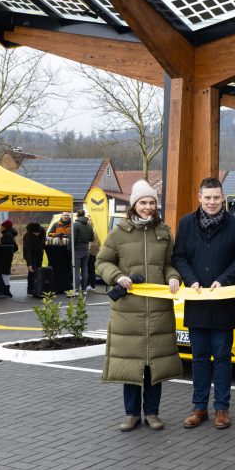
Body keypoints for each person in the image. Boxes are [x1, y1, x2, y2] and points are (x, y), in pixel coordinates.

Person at [96, 180, 182, 432]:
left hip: (158, 310)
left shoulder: (164, 232)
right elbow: (101, 262)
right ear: (134, 205)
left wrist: (173, 276)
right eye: (143, 202)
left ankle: (152, 413)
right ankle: (131, 414)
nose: (148, 207)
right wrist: (116, 276)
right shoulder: (118, 233)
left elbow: (169, 264)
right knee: (131, 365)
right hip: (128, 311)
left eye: (152, 202)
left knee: (154, 365)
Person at [173, 177, 235, 430]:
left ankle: (222, 409)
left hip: (224, 302)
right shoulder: (186, 223)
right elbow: (179, 257)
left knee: (223, 358)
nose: (212, 202)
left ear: (223, 198)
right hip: (196, 302)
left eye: (216, 197)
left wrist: (222, 280)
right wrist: (191, 280)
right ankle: (199, 407)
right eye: (208, 197)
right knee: (199, 358)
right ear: (199, 198)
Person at [72, 210, 94, 292]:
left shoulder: (75, 224)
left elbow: (73, 239)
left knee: (76, 270)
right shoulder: (89, 226)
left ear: (77, 215)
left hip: (77, 250)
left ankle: (76, 289)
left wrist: (70, 249)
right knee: (85, 269)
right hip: (86, 249)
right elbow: (92, 238)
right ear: (84, 215)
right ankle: (84, 288)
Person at [23, 222, 45, 297]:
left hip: (39, 254)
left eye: (38, 232)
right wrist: (29, 264)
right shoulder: (27, 236)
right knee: (31, 271)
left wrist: (41, 248)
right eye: (35, 233)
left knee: (39, 271)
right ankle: (30, 289)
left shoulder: (42, 231)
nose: (36, 234)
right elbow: (27, 251)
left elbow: (43, 241)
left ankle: (38, 288)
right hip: (30, 255)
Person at [0, 219, 18, 297]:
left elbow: (5, 248)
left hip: (5, 257)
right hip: (8, 257)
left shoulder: (6, 235)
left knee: (4, 273)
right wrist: (11, 253)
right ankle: (6, 291)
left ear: (5, 227)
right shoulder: (10, 234)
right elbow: (16, 247)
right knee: (5, 273)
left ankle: (6, 292)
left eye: (2, 226)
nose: (0, 227)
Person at [87, 225, 100, 290]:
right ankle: (90, 285)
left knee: (90, 269)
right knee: (90, 269)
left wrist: (89, 251)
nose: (89, 221)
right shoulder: (94, 229)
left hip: (92, 253)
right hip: (94, 252)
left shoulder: (93, 230)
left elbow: (93, 244)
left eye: (90, 220)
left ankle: (91, 285)